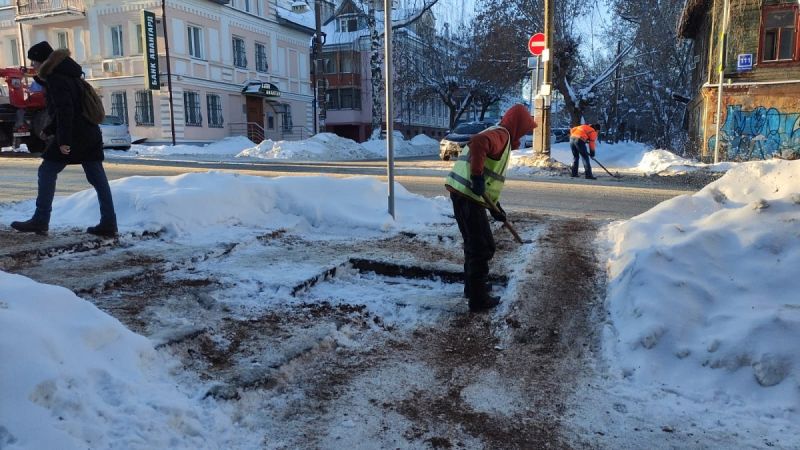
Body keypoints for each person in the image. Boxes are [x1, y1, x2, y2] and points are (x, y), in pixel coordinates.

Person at [10, 41, 117, 237]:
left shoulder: (57, 78)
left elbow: (66, 111)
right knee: (97, 179)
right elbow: (67, 109)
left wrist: (63, 141)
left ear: (43, 61)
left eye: (34, 61)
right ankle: (109, 223)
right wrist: (50, 129)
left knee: (47, 171)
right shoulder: (69, 74)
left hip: (75, 135)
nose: (33, 66)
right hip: (89, 133)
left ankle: (41, 220)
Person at [445, 104, 536, 312]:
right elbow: (477, 142)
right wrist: (476, 176)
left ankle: (473, 287)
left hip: (465, 194)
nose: (524, 133)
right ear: (517, 124)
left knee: (475, 243)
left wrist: (496, 208)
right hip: (468, 194)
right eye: (524, 128)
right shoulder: (501, 134)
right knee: (482, 247)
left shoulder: (501, 136)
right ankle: (478, 300)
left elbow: (489, 180)